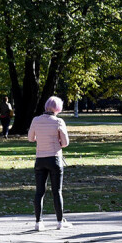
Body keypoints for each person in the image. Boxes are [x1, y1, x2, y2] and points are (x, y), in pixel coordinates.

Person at [28, 96, 71, 231]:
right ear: (58, 109)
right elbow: (65, 143)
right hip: (55, 159)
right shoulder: (59, 122)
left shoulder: (36, 120)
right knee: (56, 191)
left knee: (39, 191)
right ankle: (59, 221)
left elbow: (31, 138)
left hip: (40, 159)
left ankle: (38, 222)